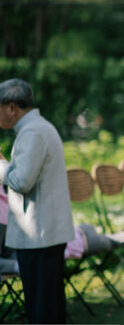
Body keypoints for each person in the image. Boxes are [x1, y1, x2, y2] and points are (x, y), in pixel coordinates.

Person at [0, 79, 75, 323]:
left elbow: (22, 181)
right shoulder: (39, 128)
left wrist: (0, 164)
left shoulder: (32, 132)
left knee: (42, 308)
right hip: (44, 233)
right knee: (48, 304)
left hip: (38, 235)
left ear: (12, 108)